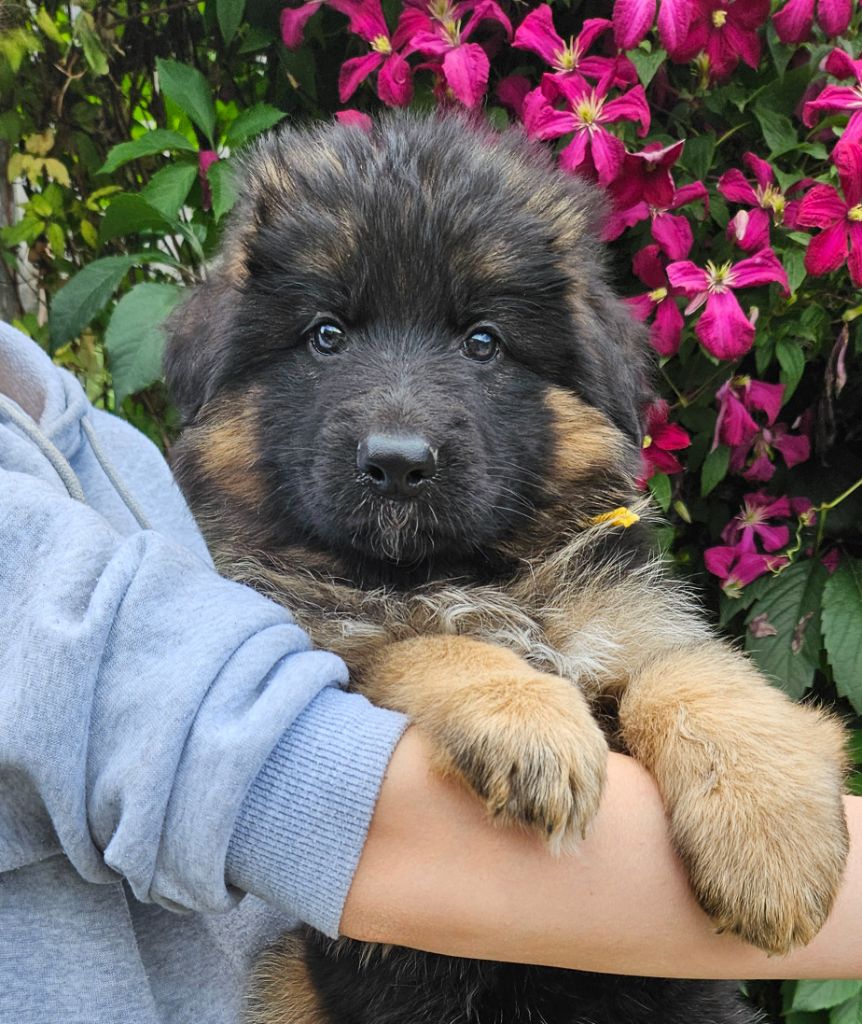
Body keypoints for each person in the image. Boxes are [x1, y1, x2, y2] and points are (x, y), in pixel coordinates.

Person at [0, 320, 859, 1024]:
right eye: (327, 336)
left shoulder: (96, 447)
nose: (399, 430)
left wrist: (702, 713)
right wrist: (448, 674)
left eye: (483, 341)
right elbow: (297, 772)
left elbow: (660, 668)